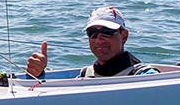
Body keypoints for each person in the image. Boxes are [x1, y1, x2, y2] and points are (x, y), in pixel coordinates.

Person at [26, 6, 158, 79]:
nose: (99, 40)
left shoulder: (144, 76)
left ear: (124, 35)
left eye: (107, 31)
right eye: (92, 33)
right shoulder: (84, 75)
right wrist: (36, 75)